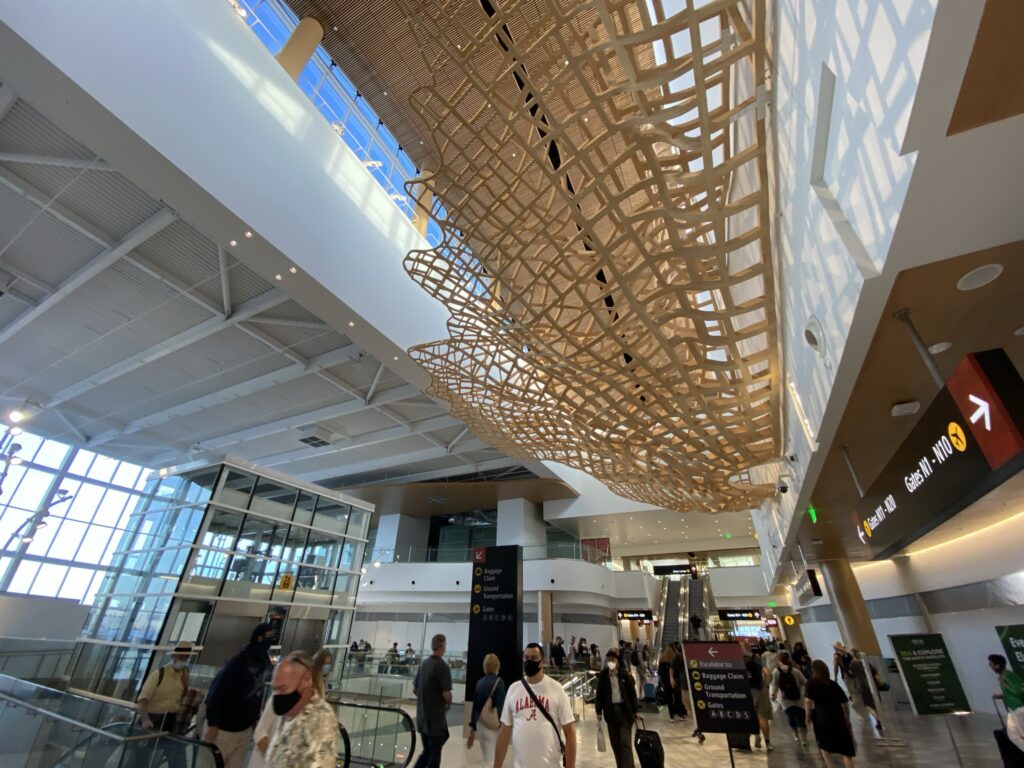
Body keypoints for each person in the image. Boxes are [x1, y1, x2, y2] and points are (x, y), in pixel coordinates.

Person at [204, 623, 275, 768]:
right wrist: (213, 724)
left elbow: (258, 693)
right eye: (268, 636)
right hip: (223, 729)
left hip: (244, 729)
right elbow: (217, 690)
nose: (271, 640)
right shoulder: (239, 661)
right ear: (259, 638)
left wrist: (255, 719)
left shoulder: (264, 662)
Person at [494, 643, 577, 768]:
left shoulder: (556, 689)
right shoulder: (513, 689)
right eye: (526, 658)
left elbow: (570, 733)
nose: (528, 661)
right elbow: (504, 731)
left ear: (542, 662)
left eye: (533, 658)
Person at [264, 651, 340, 768]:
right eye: (275, 689)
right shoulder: (288, 713)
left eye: (283, 688)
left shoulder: (322, 719)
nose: (277, 695)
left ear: (305, 681)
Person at [136, 641, 193, 768]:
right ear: (174, 656)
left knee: (177, 757)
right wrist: (145, 719)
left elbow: (181, 699)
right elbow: (142, 700)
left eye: (186, 657)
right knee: (141, 757)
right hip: (153, 718)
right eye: (181, 656)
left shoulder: (184, 675)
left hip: (170, 720)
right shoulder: (159, 674)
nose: (184, 659)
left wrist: (186, 685)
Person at [805, 659, 855, 768]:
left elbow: (808, 701)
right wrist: (847, 718)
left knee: (824, 745)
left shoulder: (811, 682)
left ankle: (830, 765)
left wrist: (807, 715)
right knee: (846, 751)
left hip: (822, 718)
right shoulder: (833, 684)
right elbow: (845, 702)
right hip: (838, 717)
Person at [413, 633, 452, 768]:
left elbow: (415, 689)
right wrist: (448, 702)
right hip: (435, 720)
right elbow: (446, 694)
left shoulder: (424, 664)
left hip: (423, 717)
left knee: (428, 750)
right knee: (434, 755)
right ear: (442, 646)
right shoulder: (442, 667)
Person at [595, 649, 639, 768]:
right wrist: (598, 711)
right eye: (609, 660)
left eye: (613, 660)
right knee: (616, 744)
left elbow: (632, 693)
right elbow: (599, 695)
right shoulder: (603, 676)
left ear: (617, 661)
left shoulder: (624, 674)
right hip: (611, 713)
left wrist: (636, 711)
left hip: (625, 712)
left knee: (625, 742)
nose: (611, 662)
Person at [468, 653, 507, 765]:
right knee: (492, 759)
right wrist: (502, 723)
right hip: (492, 724)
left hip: (480, 724)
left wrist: (473, 729)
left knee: (487, 755)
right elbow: (500, 704)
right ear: (497, 667)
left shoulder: (479, 682)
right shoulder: (499, 682)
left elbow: (475, 707)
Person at [771, 651, 808, 746]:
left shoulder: (776, 671)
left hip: (785, 699)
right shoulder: (795, 670)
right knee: (801, 717)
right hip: (798, 697)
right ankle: (804, 739)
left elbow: (775, 685)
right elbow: (804, 682)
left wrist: (773, 695)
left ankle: (796, 735)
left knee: (791, 717)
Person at [990, 653, 1024, 753]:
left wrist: (1004, 683)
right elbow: (1012, 691)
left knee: (1016, 735)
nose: (990, 667)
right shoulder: (1004, 677)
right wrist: (1001, 696)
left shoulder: (1008, 675)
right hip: (1014, 709)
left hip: (1018, 708)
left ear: (997, 665)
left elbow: (1020, 690)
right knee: (1014, 735)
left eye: (991, 664)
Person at [847, 649, 883, 734]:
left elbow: (850, 673)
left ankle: (876, 718)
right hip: (871, 684)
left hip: (861, 685)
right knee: (874, 704)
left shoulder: (852, 664)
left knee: (867, 705)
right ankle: (878, 718)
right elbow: (875, 672)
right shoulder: (865, 662)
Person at [747, 650, 773, 750]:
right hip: (759, 689)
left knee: (750, 715)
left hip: (746, 691)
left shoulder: (738, 658)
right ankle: (767, 742)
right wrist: (766, 686)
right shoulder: (756, 658)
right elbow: (767, 673)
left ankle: (755, 734)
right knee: (762, 716)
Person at [657, 645, 683, 722]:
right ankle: (680, 714)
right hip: (675, 682)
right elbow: (678, 672)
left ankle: (671, 716)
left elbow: (660, 674)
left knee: (669, 700)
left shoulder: (661, 662)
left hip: (666, 684)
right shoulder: (675, 660)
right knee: (678, 698)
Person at [670, 641, 688, 719]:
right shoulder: (678, 656)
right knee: (682, 696)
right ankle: (682, 711)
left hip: (684, 680)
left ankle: (683, 711)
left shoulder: (683, 656)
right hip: (681, 680)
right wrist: (671, 678)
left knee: (682, 696)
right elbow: (672, 667)